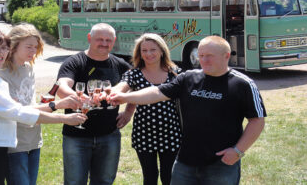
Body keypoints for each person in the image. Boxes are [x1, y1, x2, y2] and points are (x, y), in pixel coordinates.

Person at [110, 36, 266, 185]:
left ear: (226, 56)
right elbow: (157, 92)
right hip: (185, 161)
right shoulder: (188, 78)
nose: (204, 60)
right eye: (201, 55)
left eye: (209, 56)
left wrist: (238, 151)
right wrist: (123, 97)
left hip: (221, 161)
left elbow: (257, 120)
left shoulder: (243, 84)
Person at [0, 30, 87, 185]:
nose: (1, 52)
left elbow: (15, 109)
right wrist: (64, 118)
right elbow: (17, 112)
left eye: (4, 48)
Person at [0, 23, 82, 185]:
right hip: (13, 143)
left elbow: (27, 103)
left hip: (34, 139)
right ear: (14, 45)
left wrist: (44, 103)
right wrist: (56, 105)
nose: (33, 51)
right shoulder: (1, 74)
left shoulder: (29, 69)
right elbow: (16, 112)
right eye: (28, 47)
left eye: (35, 47)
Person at [56, 23, 131, 185]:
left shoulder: (120, 64)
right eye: (99, 39)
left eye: (108, 40)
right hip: (76, 136)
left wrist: (128, 113)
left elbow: (136, 87)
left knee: (104, 181)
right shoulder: (74, 62)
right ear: (89, 38)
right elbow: (62, 88)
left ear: (114, 41)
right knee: (74, 182)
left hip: (109, 135)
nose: (104, 43)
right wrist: (81, 99)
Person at [111, 33, 182, 185]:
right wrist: (114, 93)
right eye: (144, 50)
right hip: (144, 132)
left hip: (171, 132)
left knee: (169, 176)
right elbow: (123, 87)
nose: (148, 54)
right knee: (149, 176)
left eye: (153, 49)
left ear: (162, 51)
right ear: (139, 53)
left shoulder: (175, 72)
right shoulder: (134, 73)